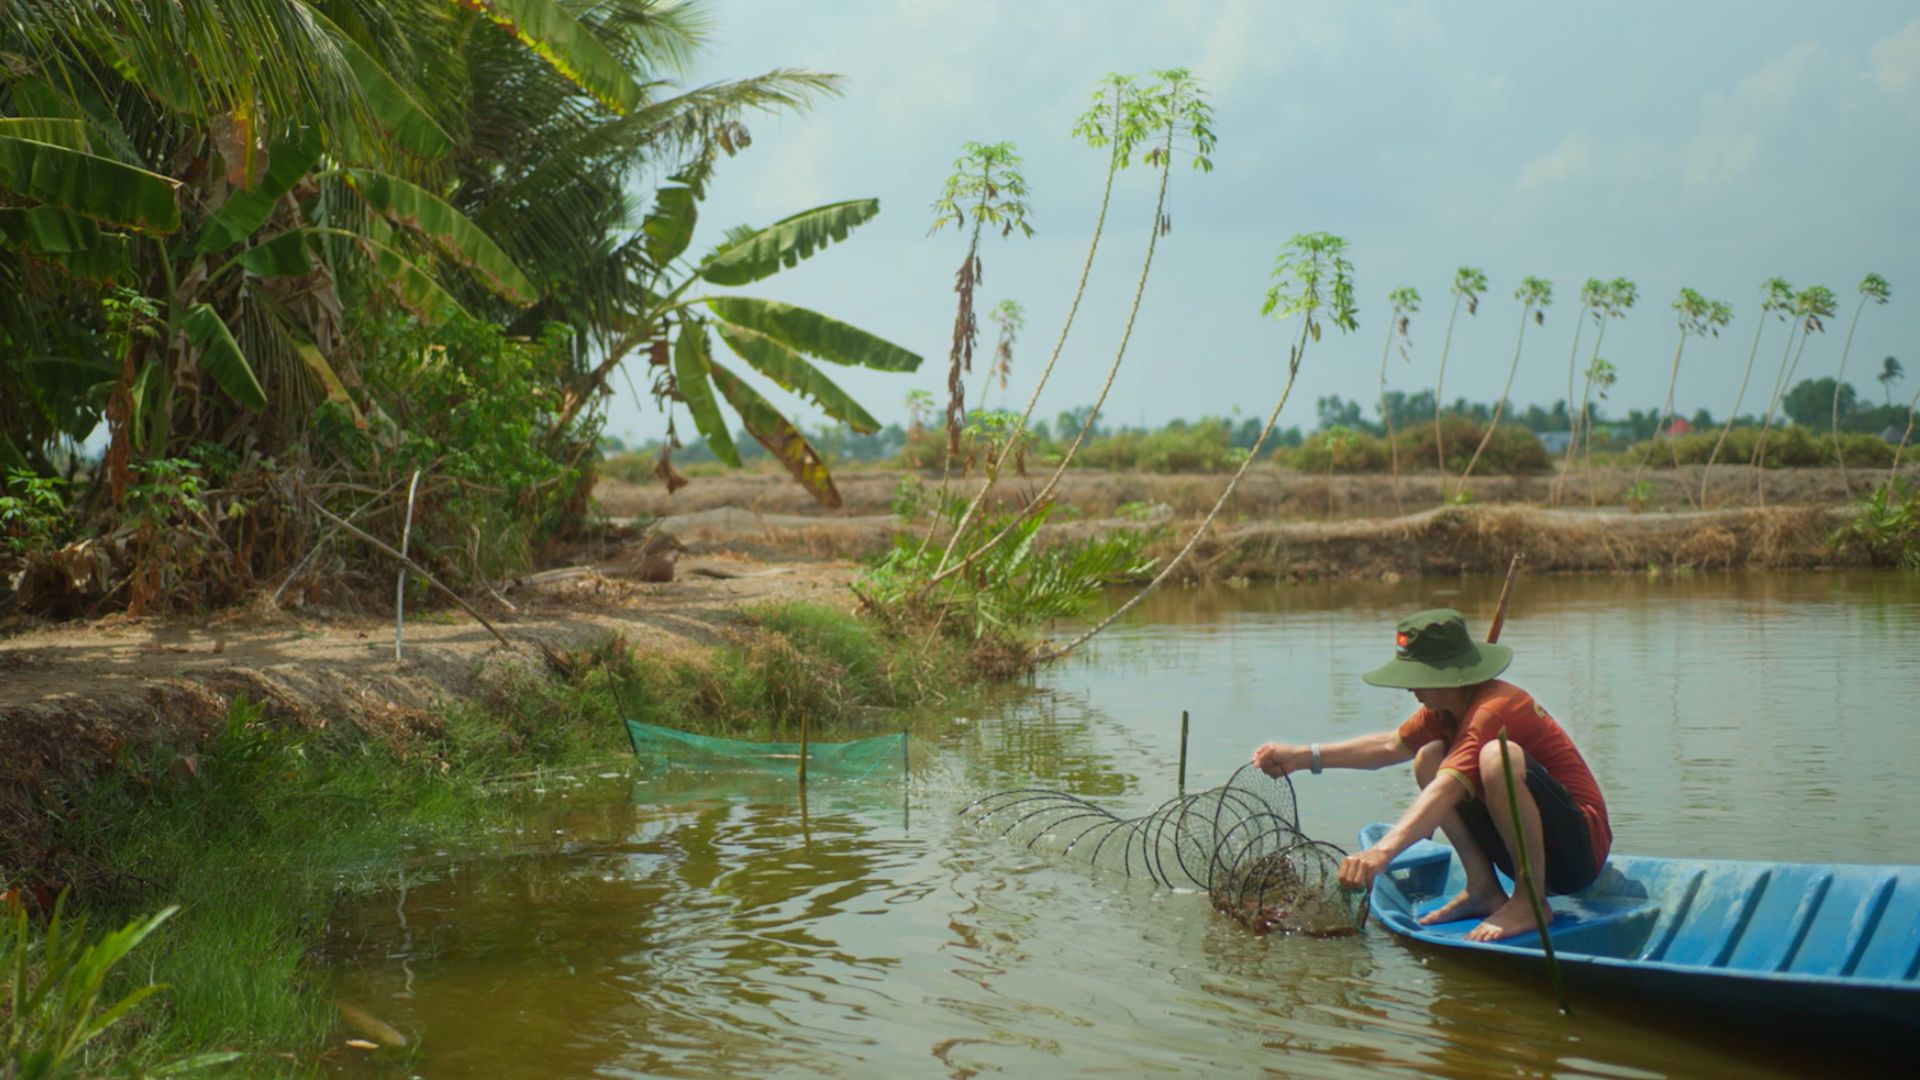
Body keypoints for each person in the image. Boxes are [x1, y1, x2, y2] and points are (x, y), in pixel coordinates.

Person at [1252, 608, 1611, 942]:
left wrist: (1380, 853)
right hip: (1528, 842)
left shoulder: (1494, 709)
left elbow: (1444, 791)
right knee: (1429, 757)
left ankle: (1529, 901)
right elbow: (1390, 747)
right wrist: (1301, 757)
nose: (1410, 689)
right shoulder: (1444, 711)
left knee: (1496, 758)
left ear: (1445, 675)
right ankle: (1483, 887)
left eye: (1417, 678)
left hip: (1576, 854)